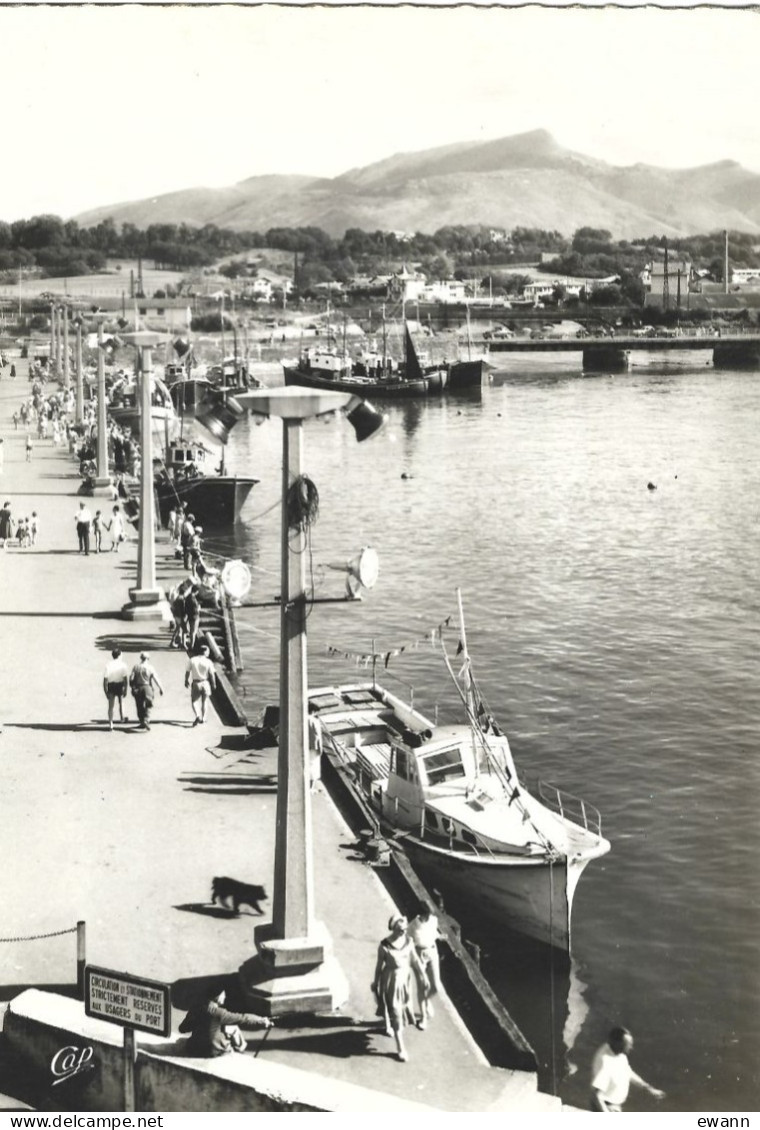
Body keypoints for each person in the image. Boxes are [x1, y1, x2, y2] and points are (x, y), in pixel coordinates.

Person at [372, 913, 426, 1062]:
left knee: (402, 1009)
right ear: (394, 929)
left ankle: (389, 1024)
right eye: (401, 929)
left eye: (405, 928)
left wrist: (424, 977)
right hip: (390, 981)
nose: (404, 931)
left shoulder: (409, 941)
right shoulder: (384, 946)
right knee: (396, 1011)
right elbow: (378, 967)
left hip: (404, 981)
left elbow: (415, 960)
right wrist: (375, 983)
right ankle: (400, 1047)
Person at [178, 987, 272, 1057]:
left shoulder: (196, 1008)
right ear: (217, 997)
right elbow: (243, 1018)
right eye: (223, 994)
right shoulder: (220, 1013)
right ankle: (239, 1051)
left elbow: (182, 1029)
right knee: (234, 1028)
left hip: (193, 1048)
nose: (225, 996)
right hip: (211, 1051)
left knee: (222, 1028)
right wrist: (261, 1021)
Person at [591, 1027, 665, 1112]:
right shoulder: (605, 1063)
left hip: (614, 1105)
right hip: (606, 1107)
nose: (631, 1047)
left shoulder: (618, 1053)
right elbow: (596, 1096)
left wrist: (648, 1088)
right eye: (628, 1044)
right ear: (618, 1044)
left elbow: (628, 1072)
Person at [407, 901, 441, 1029]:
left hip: (432, 952)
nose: (429, 917)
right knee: (422, 986)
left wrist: (439, 936)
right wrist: (415, 959)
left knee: (435, 987)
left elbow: (433, 933)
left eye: (429, 914)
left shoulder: (433, 920)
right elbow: (409, 943)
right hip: (418, 955)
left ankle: (427, 1001)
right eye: (426, 915)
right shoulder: (413, 926)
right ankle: (423, 1018)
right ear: (420, 914)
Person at [129, 652, 164, 731]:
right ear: (148, 659)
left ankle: (142, 721)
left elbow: (131, 678)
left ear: (141, 658)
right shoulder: (150, 667)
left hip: (138, 687)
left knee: (139, 705)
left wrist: (132, 686)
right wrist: (161, 688)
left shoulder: (136, 667)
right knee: (148, 704)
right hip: (147, 687)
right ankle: (146, 720)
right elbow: (155, 678)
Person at [185, 643, 217, 726]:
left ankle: (197, 715)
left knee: (194, 701)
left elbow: (187, 671)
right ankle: (204, 718)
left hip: (196, 683)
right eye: (208, 652)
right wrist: (214, 684)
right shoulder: (208, 661)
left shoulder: (192, 660)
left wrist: (186, 680)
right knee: (205, 701)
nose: (209, 653)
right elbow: (212, 674)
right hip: (205, 682)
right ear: (205, 652)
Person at [103, 648, 129, 730]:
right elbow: (125, 679)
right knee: (121, 702)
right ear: (119, 655)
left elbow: (105, 679)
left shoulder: (108, 665)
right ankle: (122, 717)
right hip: (120, 685)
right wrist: (126, 689)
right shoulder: (123, 665)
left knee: (111, 706)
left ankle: (111, 723)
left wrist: (105, 691)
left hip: (111, 685)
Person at [184, 584, 201, 652]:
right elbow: (195, 609)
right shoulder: (193, 598)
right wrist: (198, 608)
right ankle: (191, 646)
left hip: (190, 616)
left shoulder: (188, 596)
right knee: (193, 632)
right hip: (194, 617)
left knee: (192, 631)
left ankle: (192, 645)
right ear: (196, 591)